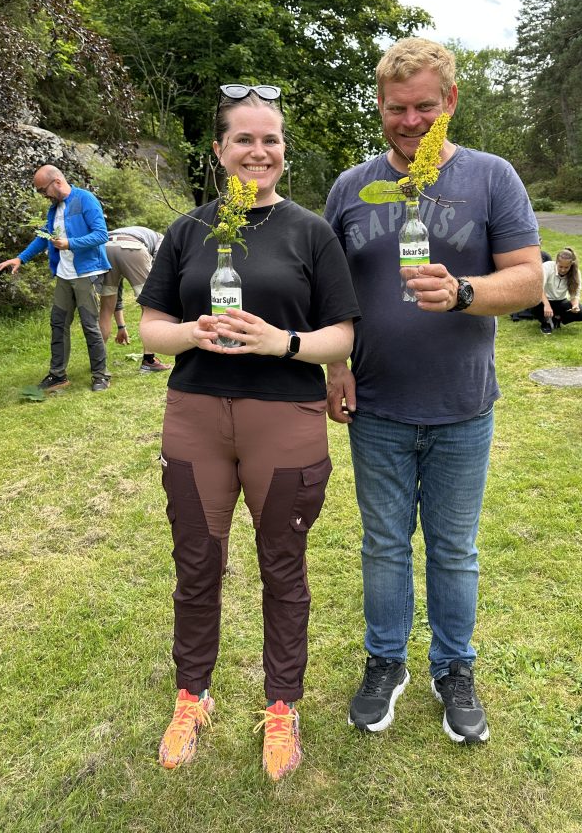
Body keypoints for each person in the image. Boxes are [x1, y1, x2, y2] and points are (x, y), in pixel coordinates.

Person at [323, 38, 542, 744]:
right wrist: (333, 367)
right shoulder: (351, 188)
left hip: (461, 407)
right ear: (380, 108)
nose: (410, 121)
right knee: (383, 545)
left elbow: (530, 279)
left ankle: (454, 668)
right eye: (396, 108)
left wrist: (465, 291)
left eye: (424, 106)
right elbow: (328, 292)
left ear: (449, 102)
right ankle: (386, 661)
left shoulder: (490, 178)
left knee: (454, 549)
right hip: (377, 407)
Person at [138, 84, 359, 780]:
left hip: (284, 419)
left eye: (270, 140)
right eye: (243, 139)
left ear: (283, 153)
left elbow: (341, 335)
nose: (257, 151)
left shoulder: (310, 232)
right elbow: (151, 328)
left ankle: (282, 708)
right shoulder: (187, 230)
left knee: (282, 571)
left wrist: (282, 343)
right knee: (197, 565)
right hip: (197, 415)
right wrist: (191, 332)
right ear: (219, 150)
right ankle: (191, 696)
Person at [0, 165, 111, 392]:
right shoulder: (54, 209)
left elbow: (101, 235)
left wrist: (70, 244)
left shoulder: (85, 199)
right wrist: (21, 259)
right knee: (58, 324)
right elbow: (44, 237)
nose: (42, 195)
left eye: (42, 190)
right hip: (63, 275)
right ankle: (58, 375)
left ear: (57, 182)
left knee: (90, 326)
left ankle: (100, 375)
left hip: (86, 274)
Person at [98, 226, 171, 373]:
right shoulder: (161, 239)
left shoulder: (136, 231)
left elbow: (117, 292)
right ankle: (149, 361)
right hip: (132, 248)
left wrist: (121, 327)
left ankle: (98, 363)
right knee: (150, 306)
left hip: (105, 247)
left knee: (106, 308)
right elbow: (158, 265)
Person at [531, 246, 582, 334]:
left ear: (571, 265)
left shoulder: (575, 272)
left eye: (566, 267)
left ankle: (557, 319)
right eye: (560, 266)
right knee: (533, 302)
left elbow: (575, 294)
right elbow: (539, 287)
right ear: (556, 262)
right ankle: (545, 322)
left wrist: (575, 306)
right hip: (542, 300)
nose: (563, 270)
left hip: (560, 301)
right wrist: (546, 305)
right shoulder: (547, 267)